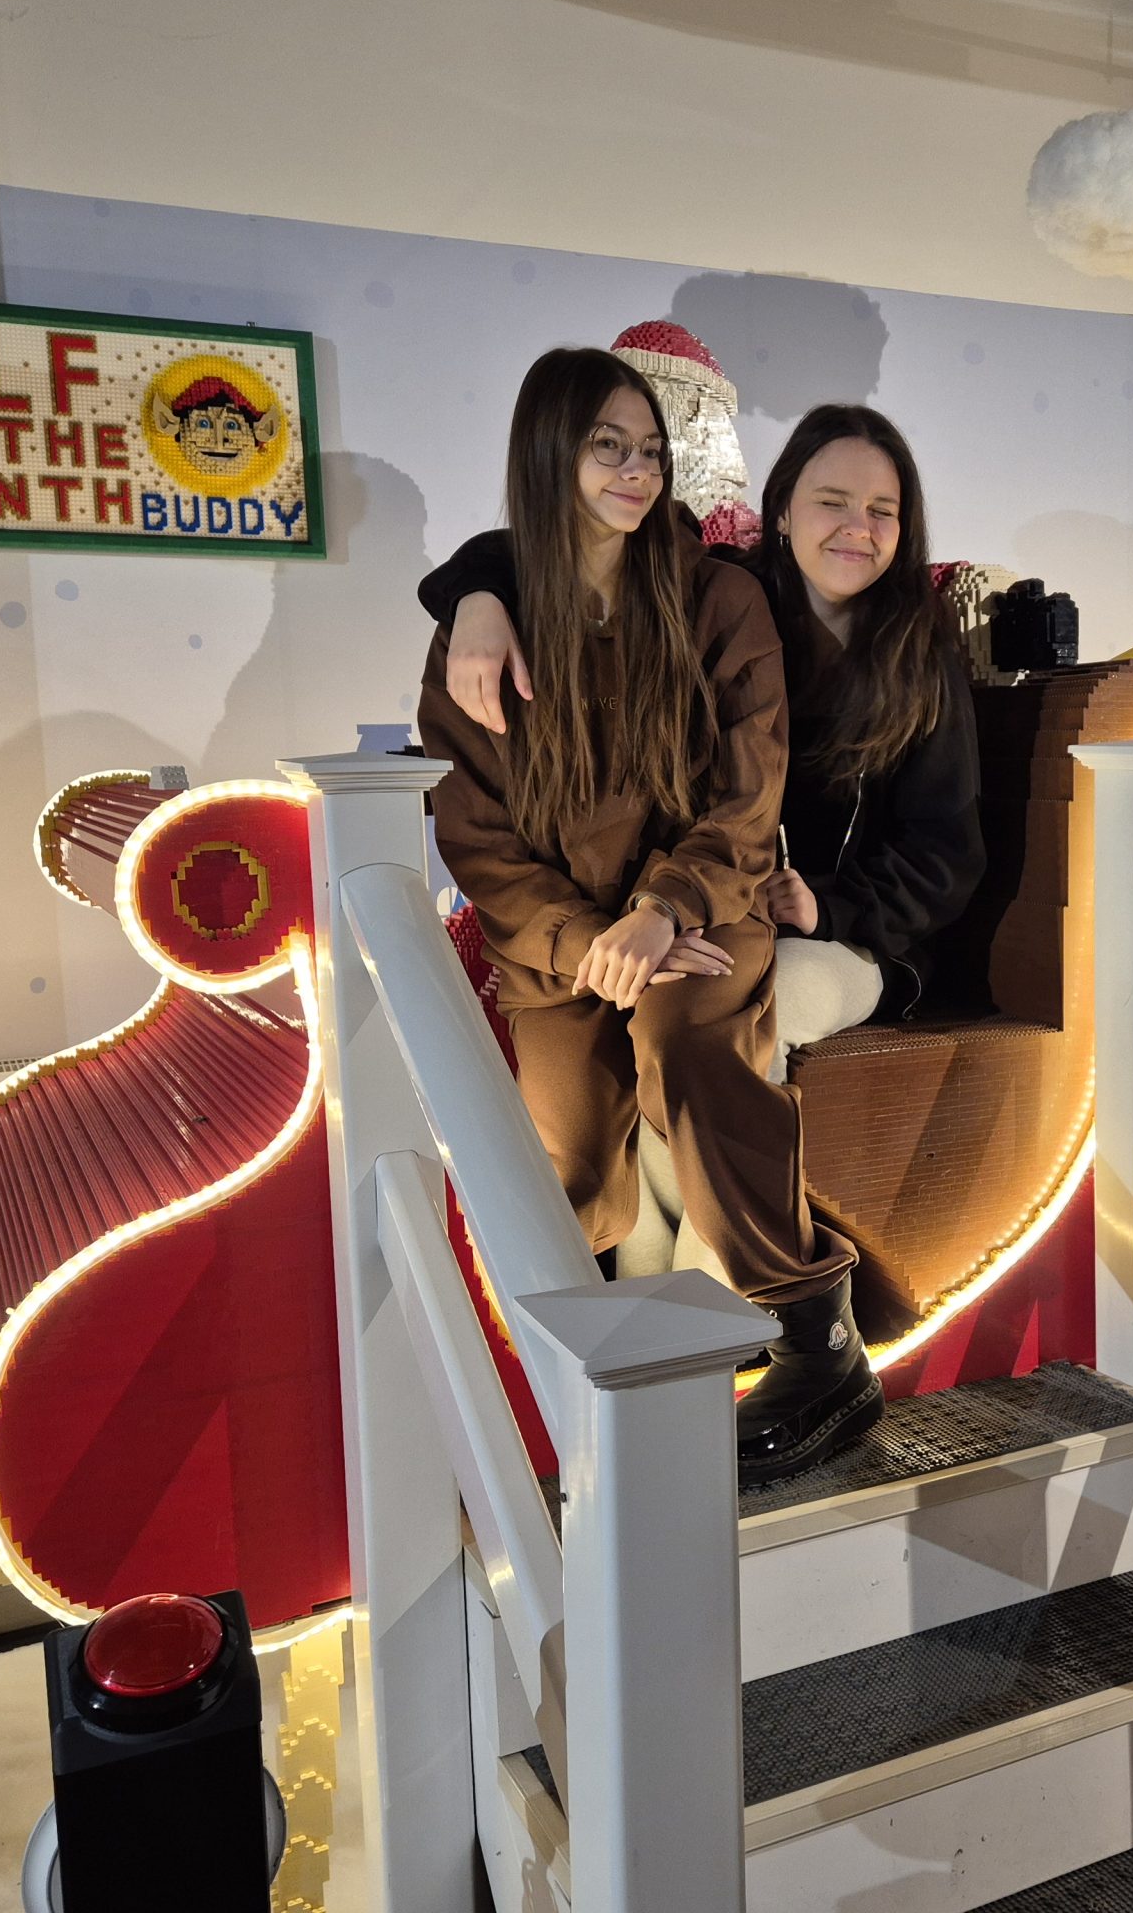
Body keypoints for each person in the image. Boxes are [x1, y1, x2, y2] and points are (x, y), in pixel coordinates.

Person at [416, 347, 876, 1485]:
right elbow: (477, 837)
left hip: (705, 910)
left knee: (689, 1048)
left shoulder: (718, 598)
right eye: (606, 447)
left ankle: (818, 1337)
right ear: (549, 455)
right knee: (562, 1163)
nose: (636, 471)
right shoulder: (485, 627)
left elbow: (748, 793)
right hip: (562, 944)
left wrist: (664, 911)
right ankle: (574, 1401)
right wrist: (590, 942)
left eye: (650, 450)